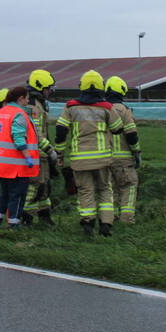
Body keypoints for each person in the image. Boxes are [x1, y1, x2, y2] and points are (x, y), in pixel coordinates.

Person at [54, 70, 123, 237]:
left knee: (85, 191)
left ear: (81, 86)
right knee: (105, 189)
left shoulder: (70, 106)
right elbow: (117, 128)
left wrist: (60, 154)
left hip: (80, 159)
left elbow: (61, 130)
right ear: (101, 87)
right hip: (102, 159)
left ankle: (88, 223)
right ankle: (106, 224)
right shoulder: (106, 107)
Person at [0, 86, 40, 229]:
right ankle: (14, 224)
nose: (28, 101)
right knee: (18, 195)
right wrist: (28, 157)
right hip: (16, 165)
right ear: (20, 98)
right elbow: (19, 139)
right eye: (27, 98)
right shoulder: (19, 114)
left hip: (0, 163)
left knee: (4, 194)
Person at [22, 69, 60, 226]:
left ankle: (45, 217)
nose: (50, 91)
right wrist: (50, 150)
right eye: (48, 88)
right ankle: (26, 218)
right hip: (35, 154)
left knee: (44, 187)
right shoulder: (33, 106)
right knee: (35, 188)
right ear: (40, 87)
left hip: (40, 155)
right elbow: (35, 134)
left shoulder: (38, 103)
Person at [104, 76, 141, 224]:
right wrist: (137, 152)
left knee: (108, 190)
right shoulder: (124, 110)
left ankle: (108, 219)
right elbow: (131, 135)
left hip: (104, 157)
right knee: (129, 186)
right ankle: (127, 220)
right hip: (123, 159)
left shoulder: (101, 109)